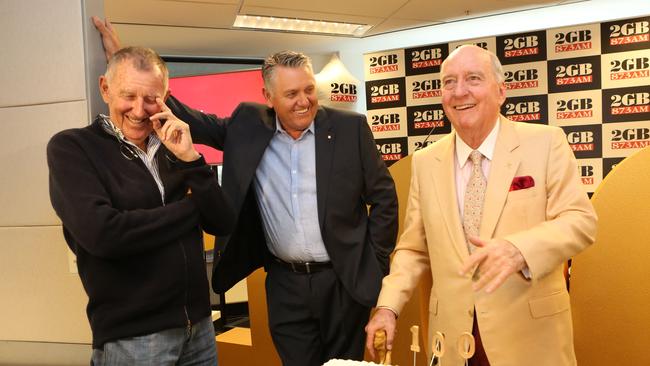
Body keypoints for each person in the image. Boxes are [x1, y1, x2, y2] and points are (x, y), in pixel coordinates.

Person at [93, 18, 399, 366]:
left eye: (308, 90)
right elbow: (188, 116)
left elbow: (384, 198)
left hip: (344, 282)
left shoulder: (350, 128)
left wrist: (375, 265)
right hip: (286, 285)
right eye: (291, 94)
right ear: (267, 97)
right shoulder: (248, 126)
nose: (304, 102)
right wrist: (123, 62)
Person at [365, 45, 597, 366]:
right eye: (449, 82)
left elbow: (580, 221)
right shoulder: (425, 161)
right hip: (452, 342)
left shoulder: (545, 142)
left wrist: (520, 250)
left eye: (473, 79)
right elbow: (413, 249)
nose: (460, 92)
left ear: (501, 91)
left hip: (529, 338)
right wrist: (387, 307)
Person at [47, 46, 234, 365]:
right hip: (134, 339)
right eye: (128, 96)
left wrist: (191, 159)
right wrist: (192, 210)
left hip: (200, 328)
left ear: (166, 97)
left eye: (151, 99)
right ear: (105, 88)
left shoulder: (175, 146)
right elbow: (105, 235)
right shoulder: (73, 148)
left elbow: (222, 221)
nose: (139, 109)